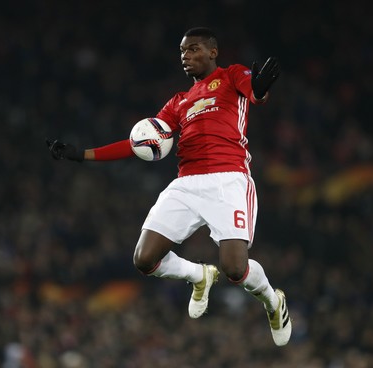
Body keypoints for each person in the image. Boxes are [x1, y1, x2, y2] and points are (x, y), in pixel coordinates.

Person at [46, 27, 291, 346]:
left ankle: (274, 302)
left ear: (213, 52)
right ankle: (197, 275)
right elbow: (139, 142)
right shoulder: (178, 102)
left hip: (228, 178)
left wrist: (259, 87)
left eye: (194, 49)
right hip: (186, 183)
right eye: (182, 52)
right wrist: (82, 155)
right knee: (144, 259)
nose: (186, 57)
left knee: (234, 268)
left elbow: (256, 91)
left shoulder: (232, 75)